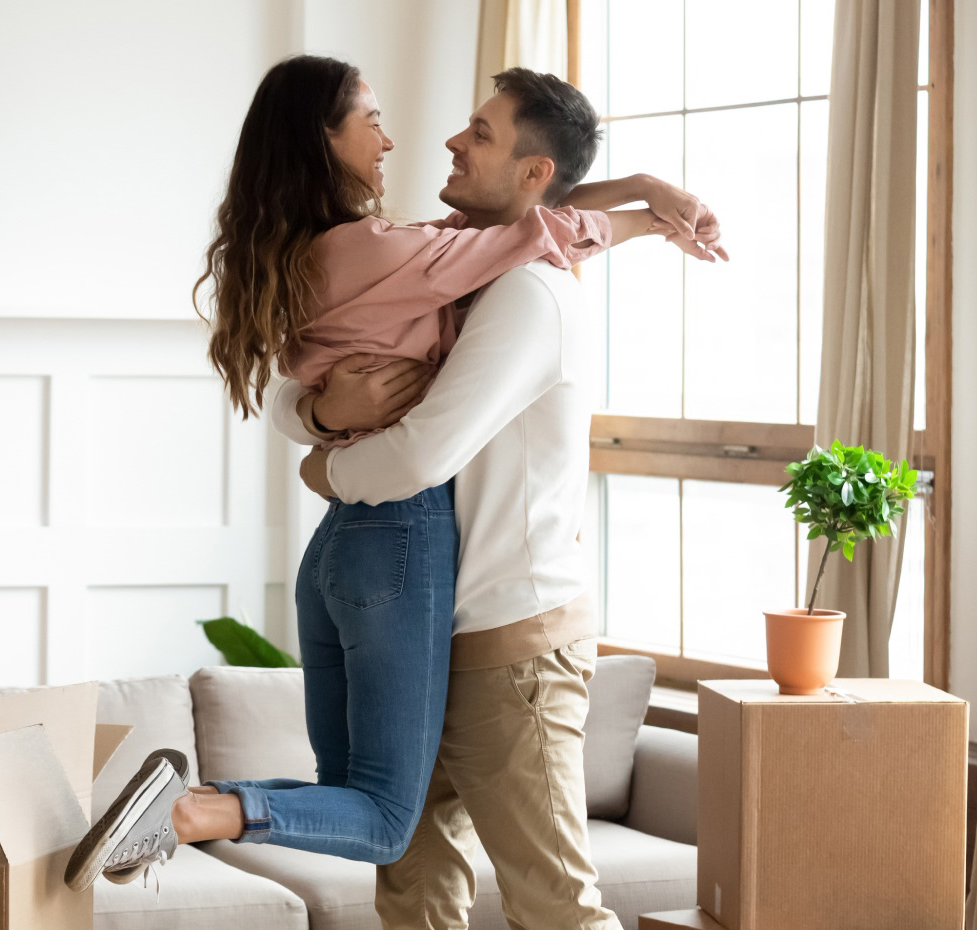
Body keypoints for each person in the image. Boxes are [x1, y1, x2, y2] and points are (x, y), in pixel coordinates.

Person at [65, 54, 720, 892]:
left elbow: (529, 220)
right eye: (369, 119)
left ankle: (183, 805)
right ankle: (193, 810)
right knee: (382, 823)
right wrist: (653, 216)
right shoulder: (399, 255)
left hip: (348, 556)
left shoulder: (370, 255)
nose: (406, 138)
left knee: (384, 834)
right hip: (399, 544)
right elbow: (534, 231)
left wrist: (320, 441)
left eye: (476, 131)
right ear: (321, 139)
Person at [277, 68, 725, 929]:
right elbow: (285, 383)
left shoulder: (529, 291)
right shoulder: (451, 265)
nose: (449, 140)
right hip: (427, 628)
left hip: (510, 643)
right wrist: (316, 410)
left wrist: (321, 470)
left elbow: (417, 455)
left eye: (478, 132)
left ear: (527, 173)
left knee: (552, 903)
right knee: (411, 887)